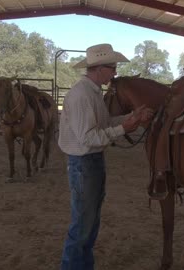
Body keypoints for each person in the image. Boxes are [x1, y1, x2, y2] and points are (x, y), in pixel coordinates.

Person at [58, 43, 154, 270]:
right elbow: (88, 137)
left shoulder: (91, 92)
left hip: (90, 163)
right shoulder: (82, 95)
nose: (115, 73)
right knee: (82, 225)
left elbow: (104, 124)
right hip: (85, 163)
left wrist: (131, 117)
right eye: (112, 67)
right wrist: (124, 129)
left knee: (88, 223)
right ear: (99, 68)